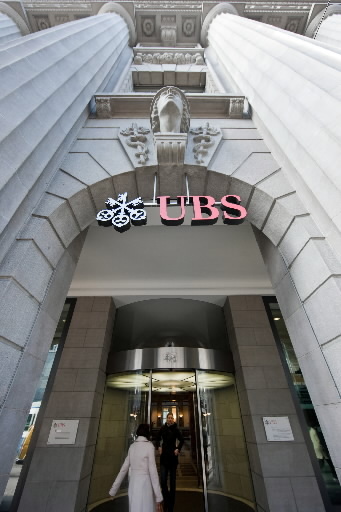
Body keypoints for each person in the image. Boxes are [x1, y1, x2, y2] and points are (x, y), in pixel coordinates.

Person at [109, 424, 163, 512]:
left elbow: (123, 469)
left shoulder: (132, 447)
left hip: (133, 484)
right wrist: (158, 496)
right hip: (146, 484)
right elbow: (153, 472)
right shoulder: (149, 447)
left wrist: (113, 490)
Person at [156, 413, 184, 512]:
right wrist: (158, 446)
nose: (170, 419)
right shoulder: (162, 428)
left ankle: (171, 504)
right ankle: (167, 500)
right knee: (163, 481)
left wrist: (178, 449)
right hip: (164, 458)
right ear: (166, 419)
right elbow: (157, 438)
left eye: (172, 418)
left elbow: (182, 440)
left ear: (173, 419)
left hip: (172, 458)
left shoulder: (176, 429)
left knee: (172, 483)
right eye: (169, 418)